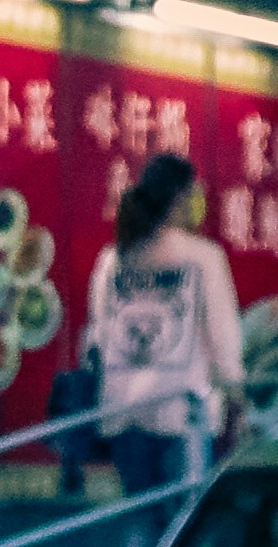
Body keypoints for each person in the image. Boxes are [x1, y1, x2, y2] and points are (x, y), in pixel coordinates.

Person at [77, 152, 242, 511]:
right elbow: (224, 337)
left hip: (122, 416)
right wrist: (237, 394)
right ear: (181, 198)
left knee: (141, 522)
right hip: (184, 416)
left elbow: (97, 336)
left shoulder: (113, 259)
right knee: (182, 531)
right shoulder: (204, 257)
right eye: (195, 194)